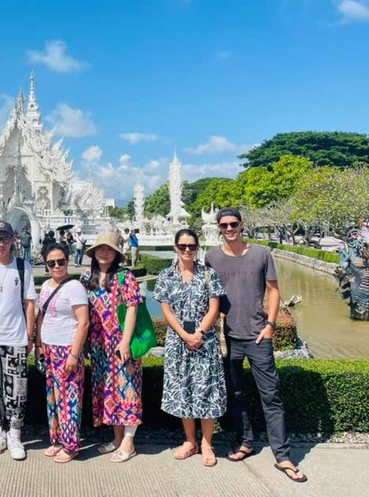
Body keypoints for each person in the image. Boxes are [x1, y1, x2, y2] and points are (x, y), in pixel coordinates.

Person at [205, 207, 307, 482]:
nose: (229, 229)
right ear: (218, 227)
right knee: (235, 394)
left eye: (233, 224)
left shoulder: (261, 254)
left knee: (270, 396)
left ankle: (283, 456)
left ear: (242, 225)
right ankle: (244, 442)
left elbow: (273, 290)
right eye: (224, 225)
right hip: (229, 338)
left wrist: (271, 325)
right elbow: (207, 294)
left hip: (258, 336)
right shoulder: (211, 257)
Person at [153, 229, 226, 468]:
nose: (187, 250)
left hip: (205, 341)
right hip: (178, 340)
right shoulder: (165, 276)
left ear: (197, 249)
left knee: (207, 388)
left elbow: (213, 308)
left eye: (191, 246)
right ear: (175, 247)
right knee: (183, 388)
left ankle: (207, 443)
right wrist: (184, 335)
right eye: (182, 246)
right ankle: (190, 441)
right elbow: (166, 310)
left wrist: (199, 334)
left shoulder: (208, 274)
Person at [79, 232, 143, 463]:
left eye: (109, 248)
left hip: (120, 344)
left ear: (116, 253)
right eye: (100, 248)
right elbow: (82, 313)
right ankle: (117, 438)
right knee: (109, 393)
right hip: (98, 346)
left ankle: (129, 440)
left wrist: (125, 341)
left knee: (128, 390)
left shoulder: (125, 277)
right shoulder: (87, 278)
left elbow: (133, 308)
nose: (103, 252)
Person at [0, 221, 37, 460]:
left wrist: (30, 335)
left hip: (15, 337)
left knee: (17, 390)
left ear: (13, 239)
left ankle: (14, 433)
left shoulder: (23, 267)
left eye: (5, 238)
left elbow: (30, 303)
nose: (1, 243)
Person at [37, 243, 89, 463]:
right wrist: (39, 345)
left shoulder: (75, 287)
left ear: (67, 261)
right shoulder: (46, 286)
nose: (57, 266)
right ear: (46, 265)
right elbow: (41, 317)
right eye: (51, 263)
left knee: (69, 398)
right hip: (49, 348)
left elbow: (84, 322)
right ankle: (57, 439)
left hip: (67, 348)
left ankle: (71, 445)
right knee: (53, 397)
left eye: (61, 261)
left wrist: (74, 354)